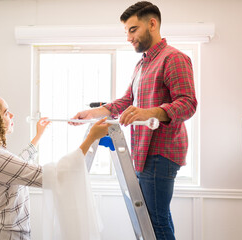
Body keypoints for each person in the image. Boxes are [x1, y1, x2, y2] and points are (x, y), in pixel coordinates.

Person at [71, 2, 197, 239]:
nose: (128, 37)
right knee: (150, 221)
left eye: (133, 29)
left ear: (152, 23)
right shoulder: (142, 64)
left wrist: (150, 112)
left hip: (161, 152)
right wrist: (92, 113)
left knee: (157, 222)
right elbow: (127, 100)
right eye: (126, 32)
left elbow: (188, 104)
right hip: (141, 152)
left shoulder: (175, 58)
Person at [0, 92, 110, 240]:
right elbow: (55, 175)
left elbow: (17, 167)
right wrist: (91, 138)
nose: (12, 116)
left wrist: (38, 137)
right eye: (6, 112)